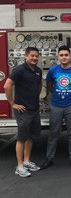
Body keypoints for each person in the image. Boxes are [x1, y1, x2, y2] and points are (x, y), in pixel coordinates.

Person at [40, 46, 71, 170]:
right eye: (61, 55)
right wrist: (57, 93)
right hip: (56, 105)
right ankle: (49, 159)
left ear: (70, 56)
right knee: (53, 134)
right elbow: (49, 85)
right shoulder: (53, 70)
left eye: (66, 55)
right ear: (58, 57)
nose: (64, 57)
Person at [4, 47, 42, 177]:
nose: (35, 58)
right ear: (26, 56)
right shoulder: (19, 70)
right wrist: (12, 104)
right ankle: (19, 166)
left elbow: (38, 86)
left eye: (36, 56)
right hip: (23, 110)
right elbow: (7, 85)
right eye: (32, 56)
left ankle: (26, 161)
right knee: (21, 138)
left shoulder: (38, 70)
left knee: (30, 136)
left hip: (34, 109)